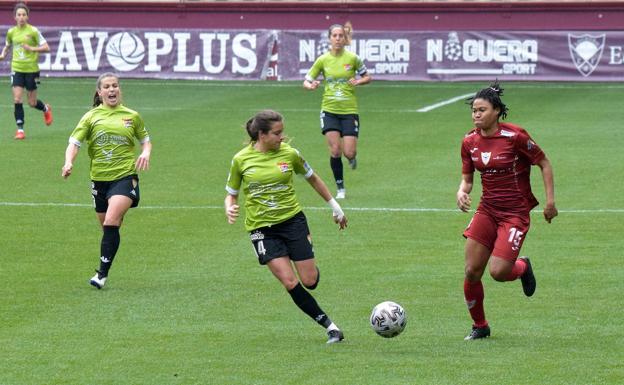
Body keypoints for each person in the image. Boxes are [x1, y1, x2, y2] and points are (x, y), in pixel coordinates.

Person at [225, 110, 348, 344]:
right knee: (290, 282)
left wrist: (335, 206)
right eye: (277, 133)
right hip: (261, 228)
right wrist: (229, 207)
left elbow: (313, 178)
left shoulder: (290, 154)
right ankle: (331, 328)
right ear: (261, 134)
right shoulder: (241, 160)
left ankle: (303, 256)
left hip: (292, 222)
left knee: (310, 281)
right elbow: (231, 193)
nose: (282, 137)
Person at [457, 81, 558, 340]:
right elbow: (467, 179)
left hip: (514, 213)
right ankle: (480, 325)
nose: (476, 114)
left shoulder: (515, 137)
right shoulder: (469, 141)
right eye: (474, 110)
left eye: (482, 110)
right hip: (487, 210)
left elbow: (544, 163)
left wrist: (549, 202)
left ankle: (522, 267)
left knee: (499, 272)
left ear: (497, 111)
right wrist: (462, 191)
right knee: (471, 271)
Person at [61, 73, 152, 289]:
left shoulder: (132, 116)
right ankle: (108, 256)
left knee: (111, 221)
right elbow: (75, 143)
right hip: (99, 180)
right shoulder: (91, 117)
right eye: (107, 87)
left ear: (119, 90)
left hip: (125, 176)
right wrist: (68, 162)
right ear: (99, 92)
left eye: (115, 86)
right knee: (109, 228)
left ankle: (101, 275)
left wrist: (146, 153)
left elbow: (146, 141)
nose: (112, 90)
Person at [303, 23, 371, 200]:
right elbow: (307, 81)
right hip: (329, 110)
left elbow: (367, 76)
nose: (338, 39)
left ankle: (351, 158)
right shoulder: (322, 60)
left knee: (349, 152)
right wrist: (312, 86)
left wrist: (359, 81)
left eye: (341, 35)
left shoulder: (353, 58)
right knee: (335, 151)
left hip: (349, 111)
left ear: (344, 38)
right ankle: (340, 188)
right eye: (335, 35)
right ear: (329, 38)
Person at [0, 3, 53, 140]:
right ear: (14, 17)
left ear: (27, 16)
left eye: (24, 14)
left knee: (32, 102)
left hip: (31, 69)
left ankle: (45, 109)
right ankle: (20, 130)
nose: (21, 17)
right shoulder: (11, 32)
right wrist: (2, 55)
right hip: (17, 69)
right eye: (19, 15)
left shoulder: (33, 31)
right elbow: (7, 46)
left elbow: (47, 47)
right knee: (17, 98)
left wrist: (32, 49)